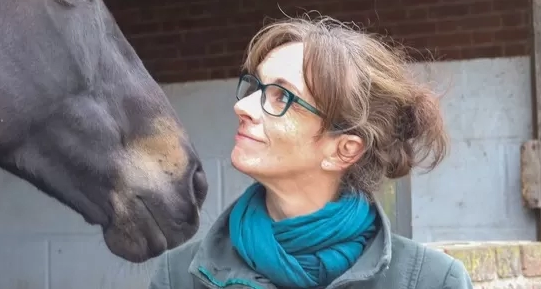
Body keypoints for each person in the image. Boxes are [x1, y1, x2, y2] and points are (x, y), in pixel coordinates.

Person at [148, 15, 472, 289]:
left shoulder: (432, 281)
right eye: (255, 87)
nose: (242, 106)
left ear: (343, 150)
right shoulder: (178, 277)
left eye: (282, 97)